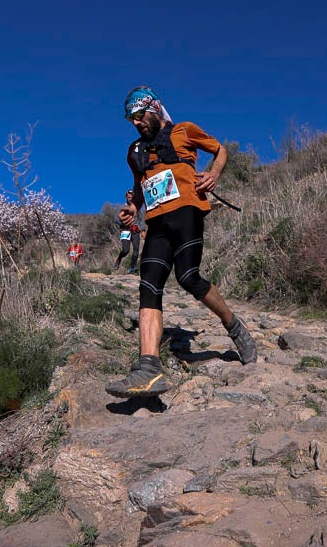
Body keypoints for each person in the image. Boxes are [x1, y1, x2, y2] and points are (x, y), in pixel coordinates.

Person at [105, 86, 258, 399]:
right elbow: (139, 187)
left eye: (140, 115)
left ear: (154, 108)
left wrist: (214, 173)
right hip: (156, 222)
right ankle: (149, 368)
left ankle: (234, 326)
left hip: (187, 211)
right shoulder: (135, 151)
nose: (136, 123)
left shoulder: (184, 131)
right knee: (148, 286)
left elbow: (220, 150)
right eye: (131, 119)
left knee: (188, 277)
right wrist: (132, 209)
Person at [114, 190, 143, 274]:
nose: (130, 198)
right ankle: (119, 258)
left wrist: (142, 229)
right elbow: (116, 219)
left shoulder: (137, 208)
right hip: (125, 230)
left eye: (131, 197)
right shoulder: (122, 207)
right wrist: (123, 223)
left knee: (136, 250)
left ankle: (132, 268)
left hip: (135, 230)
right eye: (128, 196)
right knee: (126, 250)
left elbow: (141, 219)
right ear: (126, 197)